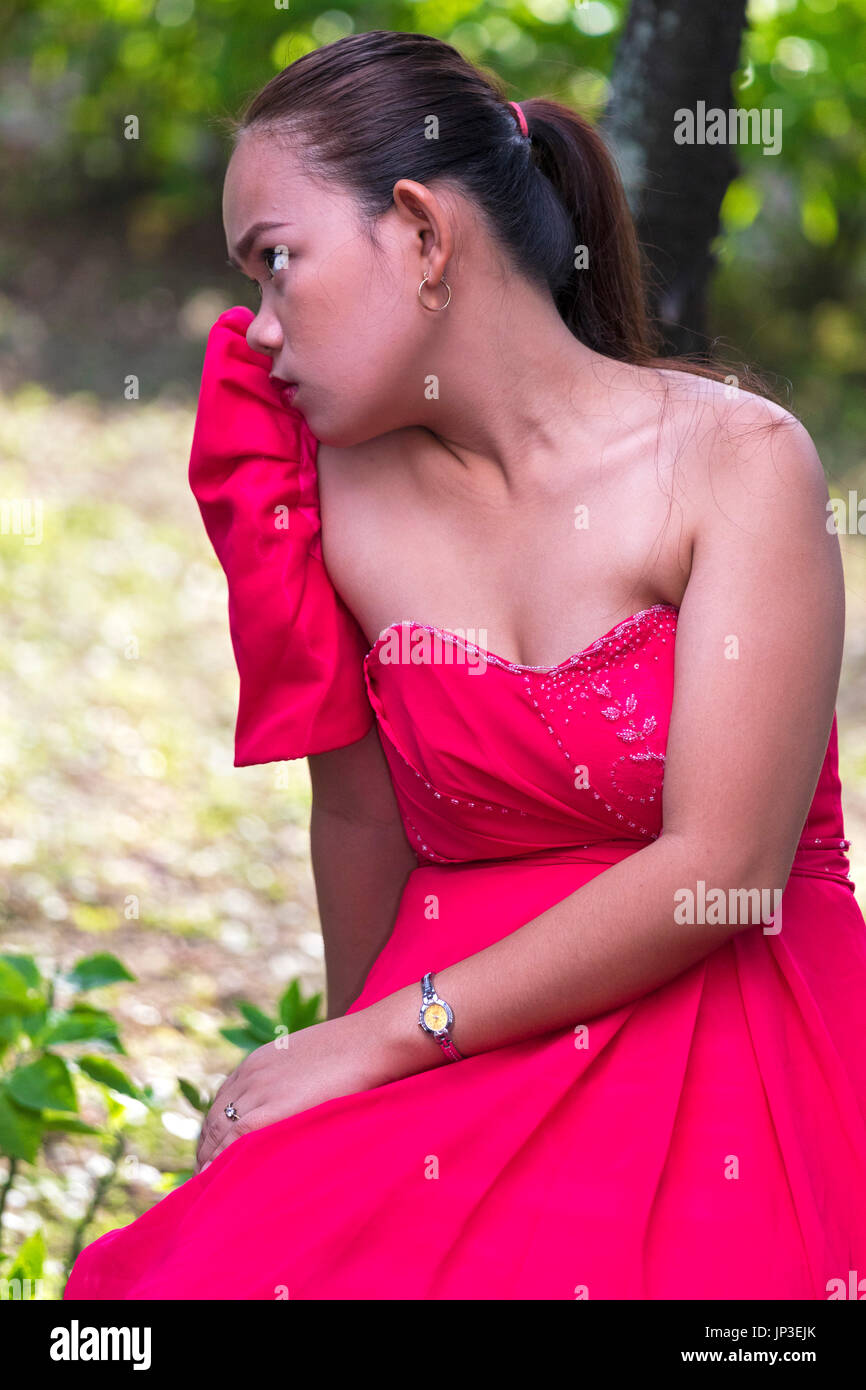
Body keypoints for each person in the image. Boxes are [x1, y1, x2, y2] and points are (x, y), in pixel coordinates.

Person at [64, 30, 866, 1300]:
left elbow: (722, 864)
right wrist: (337, 1079)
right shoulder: (313, 480)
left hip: (728, 1003)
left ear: (424, 235)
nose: (259, 329)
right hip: (454, 1028)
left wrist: (387, 1035)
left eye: (278, 263)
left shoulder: (731, 461)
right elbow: (357, 804)